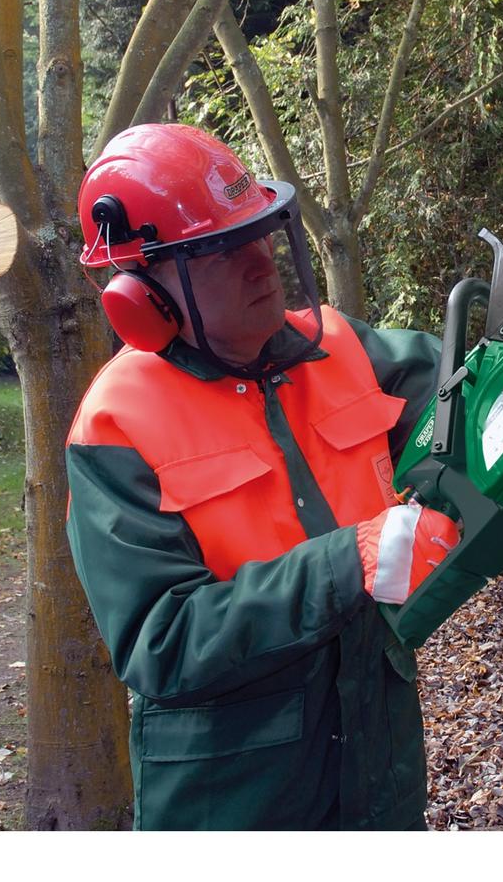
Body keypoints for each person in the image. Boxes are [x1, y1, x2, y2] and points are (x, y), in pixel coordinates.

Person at [64, 123, 459, 831]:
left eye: (260, 233)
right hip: (237, 794)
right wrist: (350, 561)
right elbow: (163, 639)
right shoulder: (115, 426)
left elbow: (465, 398)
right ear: (141, 297)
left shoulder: (339, 345)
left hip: (376, 766)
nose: (261, 263)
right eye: (218, 251)